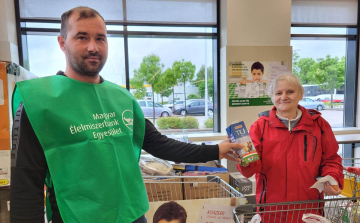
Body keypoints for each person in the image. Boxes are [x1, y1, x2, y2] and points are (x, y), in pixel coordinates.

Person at [10, 6, 243, 223]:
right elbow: (26, 184)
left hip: (130, 214)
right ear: (62, 43)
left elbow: (160, 144)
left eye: (100, 38)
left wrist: (215, 150)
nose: (93, 46)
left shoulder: (122, 98)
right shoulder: (40, 103)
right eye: (82, 37)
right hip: (76, 216)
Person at [235, 74, 343, 222]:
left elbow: (331, 158)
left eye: (290, 92)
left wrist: (332, 177)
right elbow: (252, 165)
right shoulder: (260, 127)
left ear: (300, 94)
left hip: (308, 211)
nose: (283, 97)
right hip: (271, 211)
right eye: (278, 93)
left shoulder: (319, 124)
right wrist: (243, 160)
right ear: (272, 97)